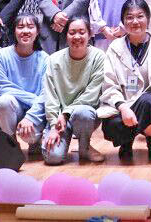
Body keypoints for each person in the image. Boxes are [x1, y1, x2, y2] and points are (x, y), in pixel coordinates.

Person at [99, 0, 151, 161]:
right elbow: (109, 85)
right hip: (123, 108)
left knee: (149, 101)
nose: (135, 21)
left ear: (148, 19)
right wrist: (123, 108)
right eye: (129, 17)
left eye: (140, 16)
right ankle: (126, 143)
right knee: (111, 126)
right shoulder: (114, 48)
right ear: (123, 22)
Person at [31, 17, 106, 164]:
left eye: (81, 32)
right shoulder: (53, 60)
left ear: (90, 34)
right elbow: (50, 95)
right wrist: (54, 124)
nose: (77, 37)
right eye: (72, 32)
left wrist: (66, 114)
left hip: (83, 115)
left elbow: (92, 94)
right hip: (59, 118)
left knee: (83, 112)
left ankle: (84, 147)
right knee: (53, 158)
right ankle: (48, 137)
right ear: (66, 35)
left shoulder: (99, 57)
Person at [0, 12, 49, 152]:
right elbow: (3, 89)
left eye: (30, 27)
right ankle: (10, 143)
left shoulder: (46, 59)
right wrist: (33, 98)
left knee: (29, 136)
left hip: (35, 112)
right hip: (13, 108)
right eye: (21, 27)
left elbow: (45, 95)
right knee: (3, 101)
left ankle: (35, 142)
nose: (25, 31)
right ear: (14, 31)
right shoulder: (2, 55)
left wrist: (30, 117)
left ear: (37, 31)